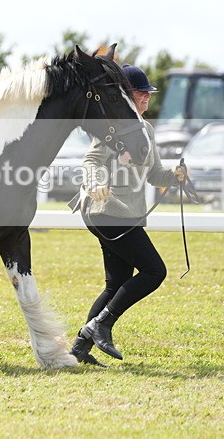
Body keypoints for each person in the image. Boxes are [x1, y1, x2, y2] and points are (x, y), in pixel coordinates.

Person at [68, 64, 186, 366]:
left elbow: (154, 174)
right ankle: (101, 325)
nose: (146, 97)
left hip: (125, 215)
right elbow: (91, 160)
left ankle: (79, 348)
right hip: (107, 212)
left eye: (148, 93)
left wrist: (174, 175)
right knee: (154, 271)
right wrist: (95, 181)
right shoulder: (114, 125)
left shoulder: (146, 129)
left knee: (117, 283)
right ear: (124, 95)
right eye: (139, 92)